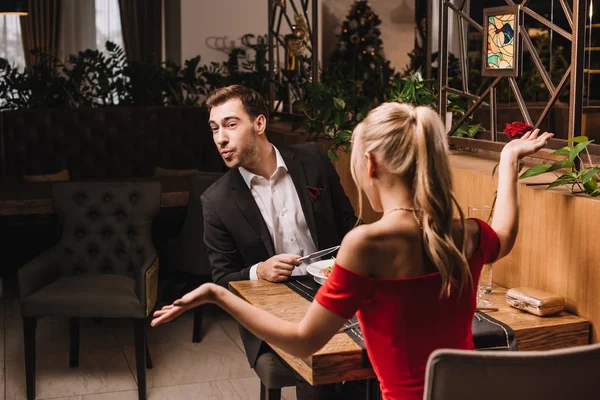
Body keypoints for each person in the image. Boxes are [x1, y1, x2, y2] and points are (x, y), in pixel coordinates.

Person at [152, 101, 553, 400]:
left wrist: (217, 295)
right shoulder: (463, 235)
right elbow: (504, 232)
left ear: (369, 164)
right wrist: (508, 160)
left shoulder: (365, 244)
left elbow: (303, 341)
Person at [195, 84, 358, 398]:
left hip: (336, 286)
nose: (220, 138)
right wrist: (259, 270)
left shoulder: (313, 159)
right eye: (215, 128)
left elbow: (347, 224)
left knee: (380, 351)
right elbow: (223, 277)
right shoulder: (216, 201)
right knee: (318, 366)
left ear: (259, 123)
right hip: (276, 308)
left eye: (230, 124)